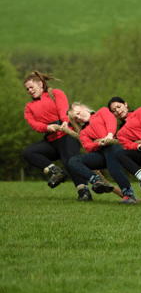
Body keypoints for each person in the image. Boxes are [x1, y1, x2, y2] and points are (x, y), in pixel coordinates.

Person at [21, 71, 89, 199]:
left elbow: (63, 109)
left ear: (40, 84)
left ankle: (84, 191)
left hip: (66, 135)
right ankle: (56, 172)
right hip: (51, 139)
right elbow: (33, 124)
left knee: (70, 162)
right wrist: (46, 127)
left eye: (31, 87)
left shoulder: (55, 94)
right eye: (27, 89)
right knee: (28, 152)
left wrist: (64, 121)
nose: (29, 90)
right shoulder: (29, 107)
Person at [67, 102, 138, 203]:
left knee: (112, 163)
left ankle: (129, 195)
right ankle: (97, 180)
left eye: (78, 113)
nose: (79, 117)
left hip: (114, 147)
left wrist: (109, 135)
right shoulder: (83, 132)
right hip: (101, 153)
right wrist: (99, 144)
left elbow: (111, 121)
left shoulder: (102, 112)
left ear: (83, 107)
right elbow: (87, 147)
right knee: (73, 161)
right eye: (76, 118)